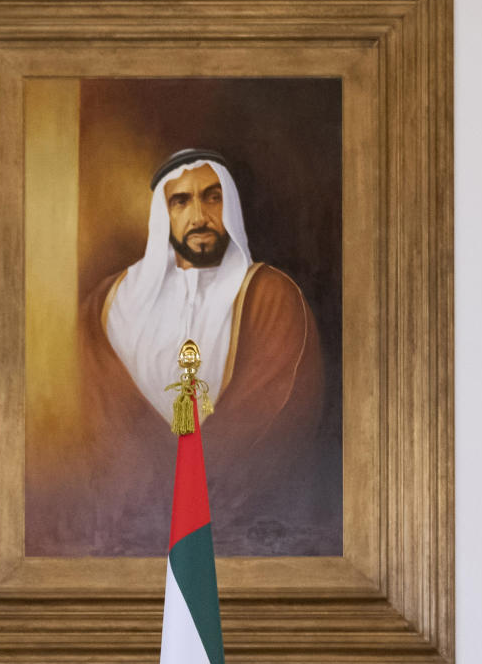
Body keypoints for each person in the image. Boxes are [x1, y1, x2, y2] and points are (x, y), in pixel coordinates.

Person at [30, 148, 340, 558]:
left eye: (213, 197)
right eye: (182, 201)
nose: (199, 216)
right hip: (121, 536)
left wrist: (182, 499)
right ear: (164, 215)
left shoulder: (271, 297)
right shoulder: (111, 303)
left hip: (233, 540)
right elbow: (85, 417)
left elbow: (276, 413)